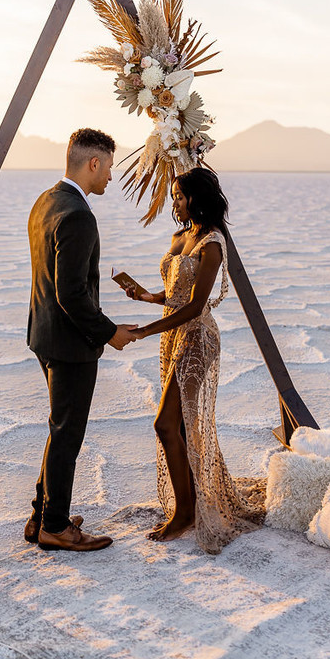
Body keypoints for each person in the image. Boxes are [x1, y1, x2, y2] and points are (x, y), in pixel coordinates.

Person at [127, 167, 266, 554]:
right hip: (174, 335)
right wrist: (145, 296)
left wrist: (143, 331)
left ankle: (186, 511)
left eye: (180, 196)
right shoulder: (180, 236)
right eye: (173, 196)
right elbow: (174, 292)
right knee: (180, 425)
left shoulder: (212, 243)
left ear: (197, 197)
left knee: (166, 424)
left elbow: (195, 306)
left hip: (197, 338)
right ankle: (188, 505)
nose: (174, 203)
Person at [26, 128, 137, 552]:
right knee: (67, 434)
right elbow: (70, 292)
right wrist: (110, 333)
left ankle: (42, 516)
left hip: (45, 334)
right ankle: (54, 525)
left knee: (60, 429)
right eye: (109, 166)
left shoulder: (46, 202)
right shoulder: (78, 215)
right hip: (69, 344)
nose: (111, 175)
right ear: (93, 163)